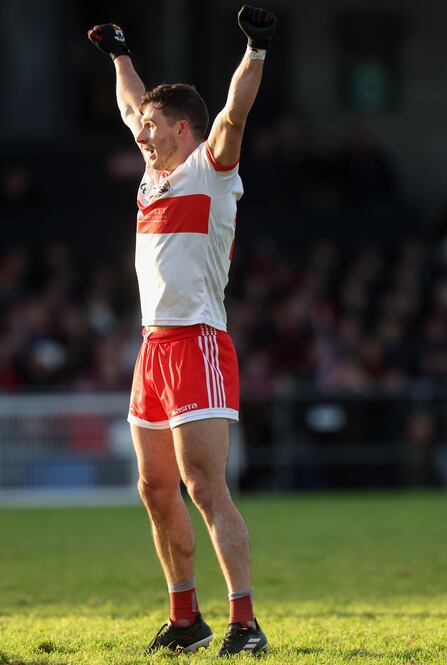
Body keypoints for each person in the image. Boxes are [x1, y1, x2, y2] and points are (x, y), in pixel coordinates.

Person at [87, 6, 276, 655]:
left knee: (204, 485)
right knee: (154, 487)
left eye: (152, 126)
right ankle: (185, 617)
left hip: (197, 342)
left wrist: (254, 49)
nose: (140, 131)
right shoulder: (152, 174)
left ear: (183, 129)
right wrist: (119, 55)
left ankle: (245, 624)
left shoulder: (211, 169)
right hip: (153, 348)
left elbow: (234, 114)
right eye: (141, 126)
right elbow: (131, 103)